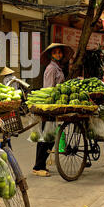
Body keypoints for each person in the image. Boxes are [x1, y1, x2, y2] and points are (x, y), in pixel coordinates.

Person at [32, 43, 74, 177]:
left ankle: (41, 165)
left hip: (54, 106)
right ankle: (38, 167)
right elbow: (50, 89)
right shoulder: (51, 68)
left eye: (60, 52)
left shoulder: (58, 68)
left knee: (49, 137)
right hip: (50, 105)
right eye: (55, 53)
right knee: (46, 137)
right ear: (51, 55)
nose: (58, 55)